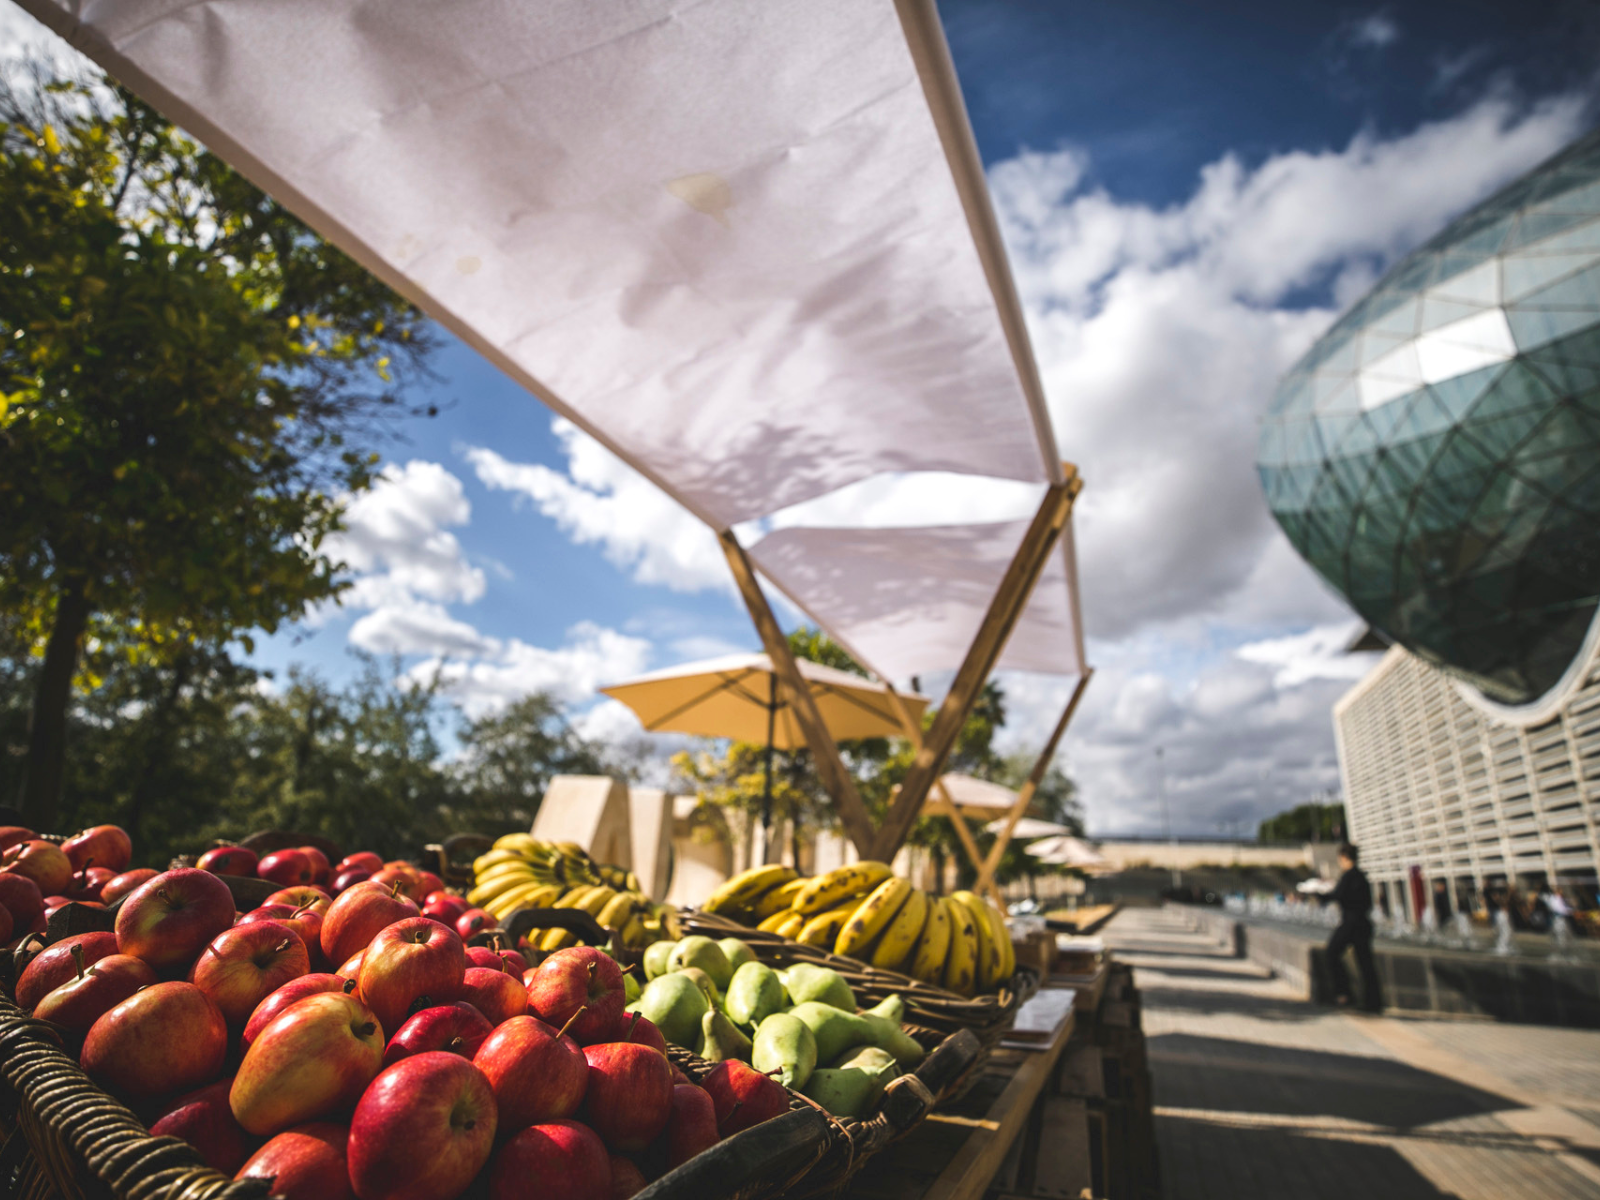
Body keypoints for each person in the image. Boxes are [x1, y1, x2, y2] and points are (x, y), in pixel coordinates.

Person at [1324, 843, 1382, 1013]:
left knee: (1332, 953)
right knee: (1365, 963)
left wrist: (1320, 896)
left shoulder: (1349, 876)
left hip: (1352, 923)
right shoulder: (1360, 876)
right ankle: (1372, 1002)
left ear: (1343, 857)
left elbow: (1338, 895)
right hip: (1362, 923)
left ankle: (1344, 994)